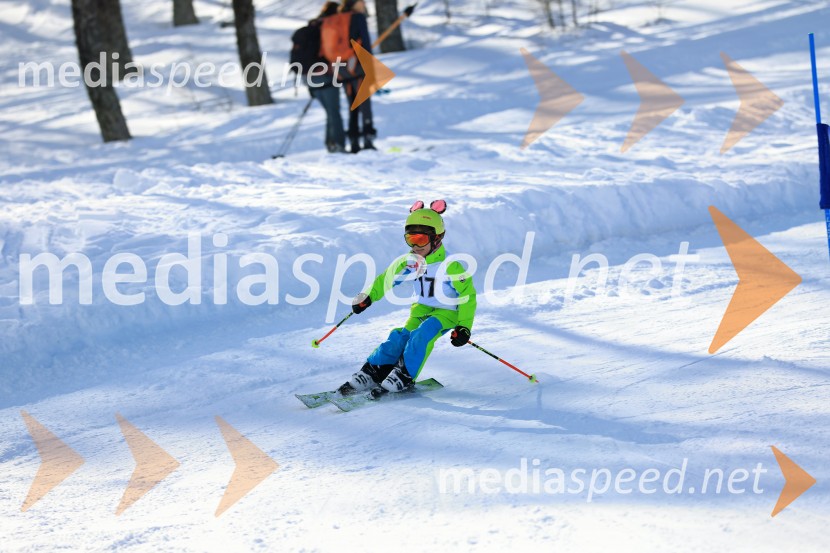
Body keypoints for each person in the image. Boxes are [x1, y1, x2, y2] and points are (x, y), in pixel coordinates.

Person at [338, 200, 477, 396]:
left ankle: (405, 375)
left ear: (436, 238)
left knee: (422, 334)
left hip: (447, 312)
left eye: (420, 240)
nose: (415, 245)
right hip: (421, 309)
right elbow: (387, 279)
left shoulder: (451, 265)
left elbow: (467, 295)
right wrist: (368, 296)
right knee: (400, 336)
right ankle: (376, 369)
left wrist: (464, 327)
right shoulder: (411, 262)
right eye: (410, 239)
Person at [300, 2, 346, 153]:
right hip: (324, 74)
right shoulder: (329, 27)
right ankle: (337, 144)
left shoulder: (311, 27)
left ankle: (331, 143)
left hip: (307, 76)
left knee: (330, 112)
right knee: (334, 111)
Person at [337, 0, 377, 153]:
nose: (364, 4)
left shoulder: (339, 18)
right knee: (365, 105)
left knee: (352, 105)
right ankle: (368, 140)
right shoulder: (358, 17)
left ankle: (354, 142)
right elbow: (364, 42)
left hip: (342, 67)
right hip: (358, 66)